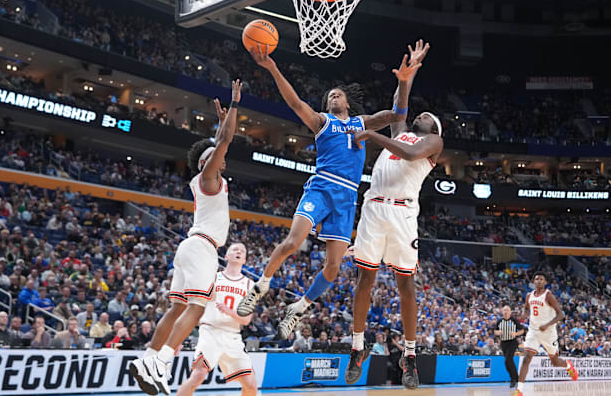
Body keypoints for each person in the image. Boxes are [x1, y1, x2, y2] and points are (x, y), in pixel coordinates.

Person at [237, 43, 422, 340]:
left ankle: (298, 308)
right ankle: (261, 286)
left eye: (338, 94)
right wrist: (272, 68)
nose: (333, 96)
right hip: (321, 188)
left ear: (348, 102)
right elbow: (296, 103)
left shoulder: (362, 123)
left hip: (347, 198)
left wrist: (403, 81)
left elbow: (398, 112)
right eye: (329, 96)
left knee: (334, 268)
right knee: (292, 243)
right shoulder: (323, 122)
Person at [131, 80, 242, 396]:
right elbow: (225, 141)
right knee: (198, 306)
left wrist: (222, 126)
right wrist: (234, 106)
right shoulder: (208, 177)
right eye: (216, 153)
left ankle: (148, 359)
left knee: (177, 308)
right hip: (202, 248)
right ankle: (162, 362)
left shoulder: (208, 177)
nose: (222, 155)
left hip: (191, 247)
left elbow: (224, 141)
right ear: (207, 161)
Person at [342, 40, 436, 389]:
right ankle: (357, 345)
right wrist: (406, 78)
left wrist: (372, 136)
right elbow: (400, 109)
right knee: (363, 280)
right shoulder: (403, 131)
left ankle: (409, 355)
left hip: (403, 216)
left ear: (434, 130)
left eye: (428, 117)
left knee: (405, 285)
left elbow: (409, 156)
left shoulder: (431, 146)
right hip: (373, 207)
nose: (421, 117)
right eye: (420, 115)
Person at [176, 243, 257, 396]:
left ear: (245, 260)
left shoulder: (250, 285)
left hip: (233, 336)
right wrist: (178, 339)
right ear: (226, 256)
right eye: (235, 249)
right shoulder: (213, 279)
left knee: (251, 384)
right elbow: (194, 308)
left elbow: (246, 320)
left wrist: (230, 312)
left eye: (242, 251)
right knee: (198, 376)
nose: (238, 251)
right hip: (210, 331)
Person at [514, 272, 578, 396]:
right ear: (533, 281)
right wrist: (523, 315)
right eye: (536, 278)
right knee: (526, 358)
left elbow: (560, 314)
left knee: (554, 361)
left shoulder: (549, 296)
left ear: (545, 282)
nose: (538, 281)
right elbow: (527, 309)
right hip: (534, 330)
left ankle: (568, 366)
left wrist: (548, 324)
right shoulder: (529, 295)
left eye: (541, 279)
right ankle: (519, 390)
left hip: (548, 332)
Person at [494, 305, 525, 388]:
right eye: (504, 310)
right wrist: (498, 332)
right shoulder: (499, 321)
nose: (505, 312)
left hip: (512, 342)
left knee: (508, 359)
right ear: (502, 312)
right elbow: (495, 331)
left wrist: (516, 333)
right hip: (503, 343)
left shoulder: (514, 320)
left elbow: (522, 330)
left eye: (507, 310)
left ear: (510, 312)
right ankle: (516, 377)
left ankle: (513, 379)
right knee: (507, 361)